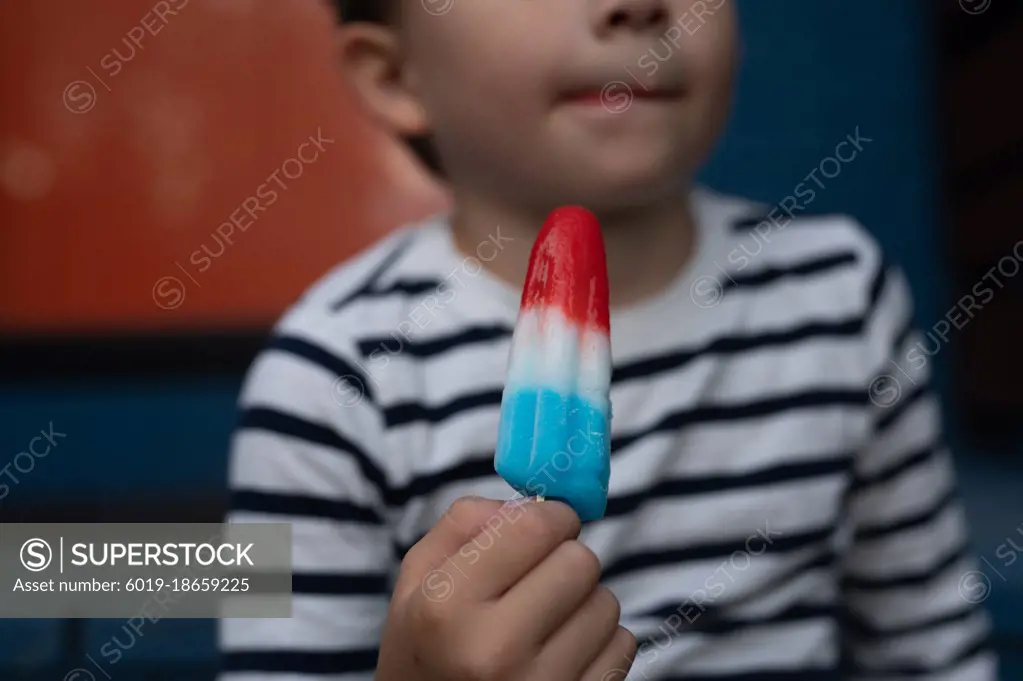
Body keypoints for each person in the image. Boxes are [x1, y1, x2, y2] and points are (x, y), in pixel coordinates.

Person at [218, 1, 997, 679]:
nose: (634, 6)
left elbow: (929, 645)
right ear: (394, 77)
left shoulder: (842, 294)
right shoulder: (331, 375)